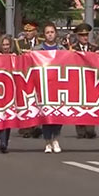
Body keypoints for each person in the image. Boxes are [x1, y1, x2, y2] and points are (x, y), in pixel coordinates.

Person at [33, 21, 64, 152]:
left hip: (58, 87)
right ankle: (47, 142)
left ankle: (55, 139)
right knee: (45, 114)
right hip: (43, 87)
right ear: (44, 35)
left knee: (58, 114)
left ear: (55, 34)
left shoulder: (62, 50)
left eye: (52, 32)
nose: (50, 35)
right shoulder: (38, 50)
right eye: (47, 33)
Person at [70, 23, 97, 139]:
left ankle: (90, 127)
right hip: (77, 80)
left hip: (91, 80)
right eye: (82, 35)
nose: (85, 37)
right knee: (79, 103)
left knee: (91, 103)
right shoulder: (72, 49)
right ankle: (80, 128)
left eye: (86, 35)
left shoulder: (94, 48)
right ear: (77, 36)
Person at [0, 34, 13, 153]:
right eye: (4, 45)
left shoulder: (14, 57)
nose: (5, 47)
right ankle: (2, 142)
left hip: (11, 89)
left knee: (9, 116)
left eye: (7, 45)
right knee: (1, 115)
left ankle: (5, 141)